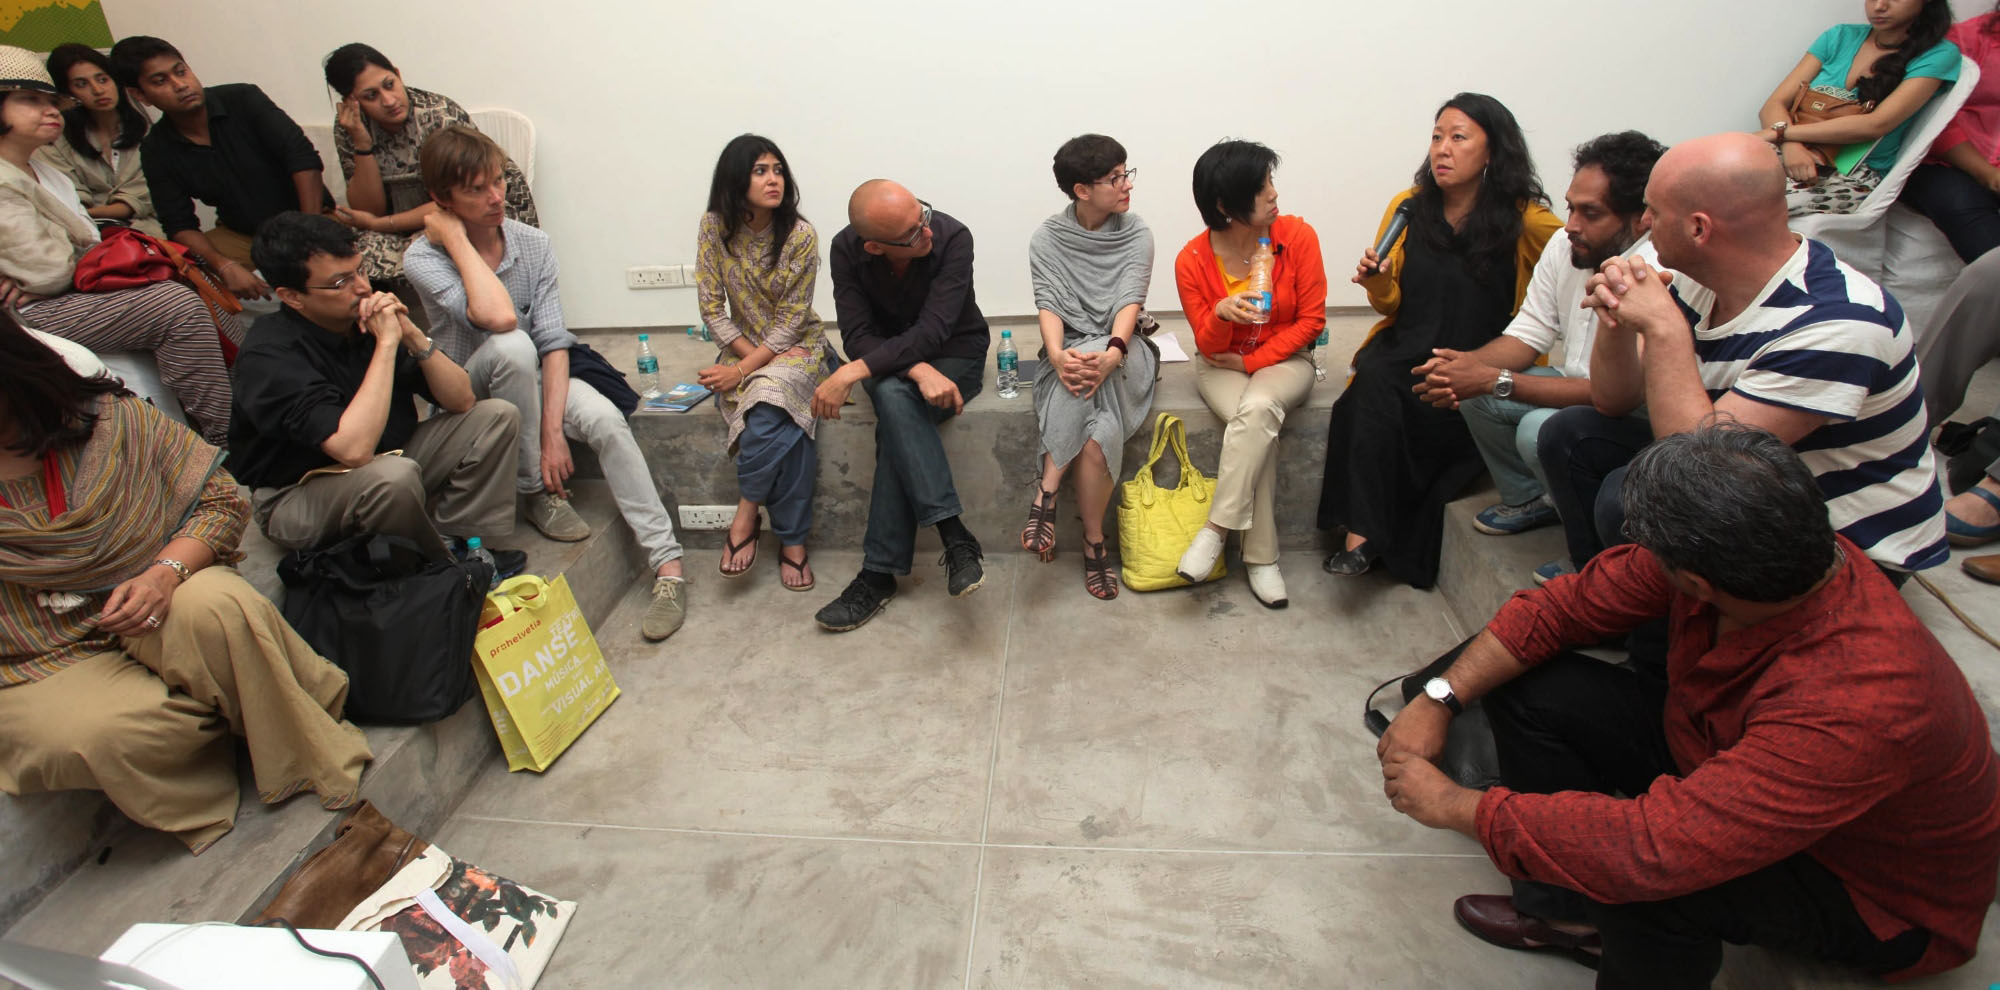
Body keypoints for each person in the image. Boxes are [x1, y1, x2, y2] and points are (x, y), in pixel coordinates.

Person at [1378, 424, 2000, 988]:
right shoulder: (1772, 554)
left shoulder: (1856, 701)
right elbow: (1563, 608)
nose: (1641, 561)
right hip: (1727, 761)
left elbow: (1651, 850)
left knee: (1649, 887)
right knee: (1532, 690)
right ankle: (1565, 918)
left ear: (1698, 583)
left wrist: (1457, 807)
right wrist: (1439, 699)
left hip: (1864, 888)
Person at [0, 312, 373, 854]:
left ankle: (280, 734)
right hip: (42, 652)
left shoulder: (106, 420)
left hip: (160, 594)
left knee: (219, 606)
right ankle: (236, 713)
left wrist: (164, 574)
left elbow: (220, 500)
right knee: (99, 734)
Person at [1538, 132, 1949, 580]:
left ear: (1699, 229)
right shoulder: (1699, 275)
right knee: (1571, 433)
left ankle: (1669, 621)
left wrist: (1662, 327)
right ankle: (1603, 585)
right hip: (1752, 474)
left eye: (1654, 210)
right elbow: (1612, 400)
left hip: (1846, 545)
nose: (1644, 223)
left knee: (1629, 496)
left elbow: (1700, 467)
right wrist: (1615, 316)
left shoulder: (1838, 324)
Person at [404, 125, 689, 641]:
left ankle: (667, 565)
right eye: (476, 190)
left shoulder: (532, 244)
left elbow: (554, 342)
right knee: (511, 345)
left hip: (531, 375)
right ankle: (534, 489)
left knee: (604, 419)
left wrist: (553, 433)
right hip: (468, 396)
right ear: (442, 200)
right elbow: (497, 319)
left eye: (498, 181)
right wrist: (456, 241)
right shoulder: (423, 258)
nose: (497, 197)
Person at [1316, 93, 1560, 586]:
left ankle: (1386, 538)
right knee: (1368, 393)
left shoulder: (1527, 221)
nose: (1442, 149)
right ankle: (1359, 539)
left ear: (1492, 151)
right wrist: (1378, 280)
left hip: (1479, 360)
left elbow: (1571, 268)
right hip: (1406, 344)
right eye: (1436, 137)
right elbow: (1388, 304)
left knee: (1434, 415)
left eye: (1458, 138)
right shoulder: (1408, 207)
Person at [1416, 132, 1667, 570]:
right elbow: (1529, 333)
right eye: (1571, 207)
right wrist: (1462, 368)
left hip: (1640, 413)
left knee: (1539, 429)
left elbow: (1611, 396)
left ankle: (1592, 554)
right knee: (1477, 396)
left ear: (1640, 219)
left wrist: (1495, 379)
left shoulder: (1657, 270)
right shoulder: (1565, 246)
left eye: (1590, 213)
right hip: (1579, 386)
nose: (1570, 225)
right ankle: (1537, 499)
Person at [228, 211, 522, 567]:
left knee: (496, 416)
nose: (363, 288)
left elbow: (461, 399)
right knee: (393, 478)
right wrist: (386, 345)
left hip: (386, 460)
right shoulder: (269, 355)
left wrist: (412, 335)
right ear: (292, 297)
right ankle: (441, 570)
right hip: (298, 492)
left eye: (361, 270)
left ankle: (461, 540)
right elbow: (353, 450)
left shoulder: (366, 318)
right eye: (340, 282)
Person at [0, 45, 236, 447]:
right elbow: (47, 272)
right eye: (30, 100)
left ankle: (252, 407)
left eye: (52, 102)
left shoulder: (46, 171)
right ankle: (226, 437)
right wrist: (61, 264)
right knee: (173, 305)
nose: (51, 110)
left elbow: (83, 245)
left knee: (189, 277)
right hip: (32, 312)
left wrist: (63, 259)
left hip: (66, 293)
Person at [809, 180, 988, 631]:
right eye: (912, 234)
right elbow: (857, 333)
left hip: (956, 355)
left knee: (891, 403)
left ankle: (878, 575)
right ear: (874, 246)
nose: (927, 231)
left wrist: (851, 372)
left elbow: (935, 329)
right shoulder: (846, 250)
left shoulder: (952, 237)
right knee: (894, 395)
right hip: (889, 363)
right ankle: (954, 534)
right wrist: (917, 370)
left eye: (922, 214)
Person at [1170, 140, 1322, 608]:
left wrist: (1254, 362)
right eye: (1261, 187)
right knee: (1258, 427)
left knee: (1258, 407)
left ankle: (1215, 530)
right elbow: (1208, 344)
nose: (1274, 194)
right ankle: (1261, 560)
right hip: (1219, 365)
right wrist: (1220, 314)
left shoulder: (1297, 236)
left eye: (1271, 181)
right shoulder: (1191, 260)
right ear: (1224, 205)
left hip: (1286, 361)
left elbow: (1312, 321)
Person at [1023, 133, 1158, 601]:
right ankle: (1094, 543)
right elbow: (1049, 303)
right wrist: (1056, 354)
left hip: (1125, 351)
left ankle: (1046, 491)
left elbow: (1129, 302)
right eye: (1115, 178)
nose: (1128, 185)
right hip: (1072, 355)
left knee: (1091, 361)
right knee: (1099, 436)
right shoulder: (1047, 238)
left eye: (1126, 174)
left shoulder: (1136, 233)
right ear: (1082, 190)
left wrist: (1113, 353)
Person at [695, 134, 833, 592]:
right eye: (760, 171)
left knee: (769, 402)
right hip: (743, 346)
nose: (774, 180)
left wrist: (741, 373)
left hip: (797, 348)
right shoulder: (714, 227)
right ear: (735, 179)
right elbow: (712, 308)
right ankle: (793, 541)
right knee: (788, 425)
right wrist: (746, 361)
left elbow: (792, 321)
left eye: (777, 170)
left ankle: (747, 512)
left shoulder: (800, 235)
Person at [109, 36, 333, 299]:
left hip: (309, 215)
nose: (180, 85)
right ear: (140, 95)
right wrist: (223, 265)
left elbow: (302, 158)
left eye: (180, 71)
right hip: (242, 233)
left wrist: (308, 230)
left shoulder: (242, 98)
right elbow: (178, 223)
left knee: (323, 264)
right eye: (160, 81)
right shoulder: (156, 149)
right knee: (189, 278)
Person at [322, 43, 539, 284]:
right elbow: (369, 209)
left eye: (389, 84)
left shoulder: (438, 115)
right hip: (401, 225)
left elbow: (460, 199)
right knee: (354, 256)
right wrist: (362, 144)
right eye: (371, 96)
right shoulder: (350, 127)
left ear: (398, 74)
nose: (389, 100)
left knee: (433, 250)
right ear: (351, 101)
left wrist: (379, 224)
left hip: (468, 209)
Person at [1753, 0, 1961, 217]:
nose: (1879, 6)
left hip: (1853, 172)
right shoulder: (1840, 36)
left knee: (1749, 205)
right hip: (1791, 150)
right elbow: (1774, 104)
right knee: (1728, 173)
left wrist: (1781, 133)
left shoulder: (1938, 55)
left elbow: (1875, 124)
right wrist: (1791, 146)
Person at [1900, 0, 2000, 262]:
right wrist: (1989, 174)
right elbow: (1932, 118)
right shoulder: (1965, 40)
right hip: (1947, 162)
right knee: (1962, 204)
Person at [37, 43, 162, 238]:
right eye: (81, 84)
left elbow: (144, 197)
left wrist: (88, 213)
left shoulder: (147, 133)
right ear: (66, 94)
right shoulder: (53, 142)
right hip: (86, 238)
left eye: (103, 79)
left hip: (151, 235)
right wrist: (85, 215)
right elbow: (67, 201)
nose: (98, 90)